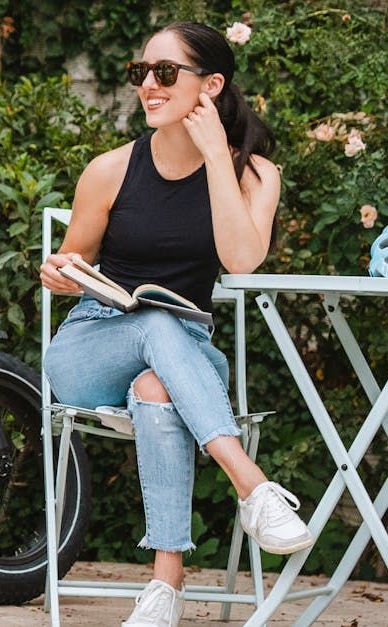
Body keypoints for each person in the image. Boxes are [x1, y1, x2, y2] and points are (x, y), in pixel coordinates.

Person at [39, 22, 314, 627]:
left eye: (166, 73)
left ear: (211, 86)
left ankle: (165, 585)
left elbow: (242, 258)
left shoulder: (255, 175)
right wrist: (60, 272)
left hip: (183, 355)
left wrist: (218, 156)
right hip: (90, 345)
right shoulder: (109, 170)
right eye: (142, 73)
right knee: (153, 323)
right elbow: (72, 260)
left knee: (156, 384)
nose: (149, 86)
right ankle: (252, 485)